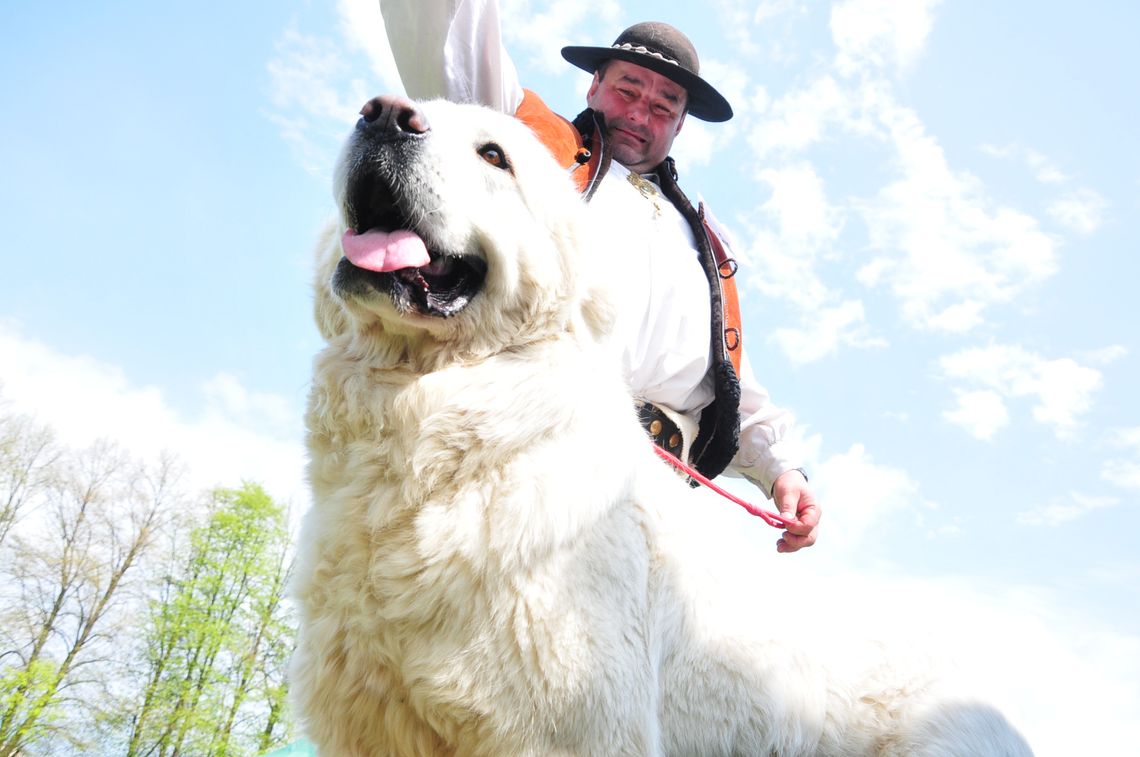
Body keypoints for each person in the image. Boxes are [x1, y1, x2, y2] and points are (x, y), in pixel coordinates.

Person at [378, 0, 820, 553]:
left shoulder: (709, 244)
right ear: (592, 89)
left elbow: (734, 387)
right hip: (526, 463)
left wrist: (784, 472)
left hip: (653, 501)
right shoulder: (532, 145)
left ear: (681, 123)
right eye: (628, 89)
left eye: (664, 105)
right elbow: (452, 39)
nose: (640, 113)